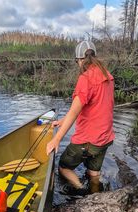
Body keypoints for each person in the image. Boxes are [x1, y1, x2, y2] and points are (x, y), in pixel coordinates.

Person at [46, 40, 115, 195]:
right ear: (94, 56)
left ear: (79, 60)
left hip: (89, 140)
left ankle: (81, 190)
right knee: (93, 173)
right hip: (105, 138)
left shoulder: (86, 78)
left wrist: (56, 140)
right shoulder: (107, 75)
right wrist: (62, 121)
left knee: (64, 166)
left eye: (77, 61)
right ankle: (95, 196)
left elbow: (74, 112)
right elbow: (94, 107)